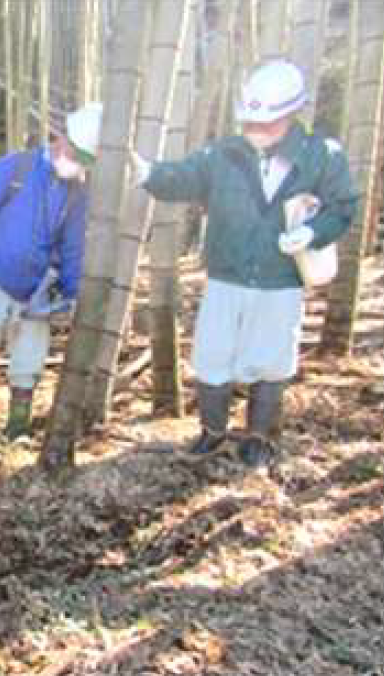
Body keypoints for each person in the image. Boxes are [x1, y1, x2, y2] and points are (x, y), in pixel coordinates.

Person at [132, 59, 357, 466]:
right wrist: (148, 173)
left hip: (281, 279)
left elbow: (343, 207)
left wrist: (312, 232)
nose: (254, 130)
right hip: (227, 273)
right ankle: (212, 431)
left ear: (290, 115)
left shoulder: (322, 155)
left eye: (265, 124)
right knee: (211, 356)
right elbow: (184, 177)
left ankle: (259, 436)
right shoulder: (226, 152)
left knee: (272, 359)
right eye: (250, 122)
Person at [0, 103, 103, 444]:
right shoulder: (14, 168)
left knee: (30, 358)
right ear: (60, 140)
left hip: (37, 285)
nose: (78, 166)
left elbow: (74, 245)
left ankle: (16, 430)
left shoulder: (77, 192)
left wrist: (71, 290)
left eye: (85, 162)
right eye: (77, 156)